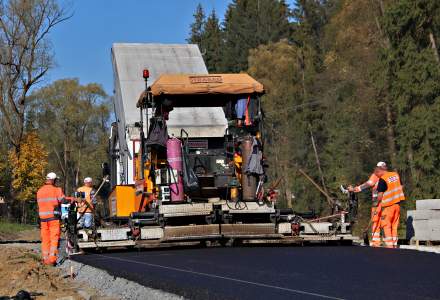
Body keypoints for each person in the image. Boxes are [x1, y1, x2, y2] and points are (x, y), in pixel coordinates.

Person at [348, 162, 387, 247]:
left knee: (376, 221)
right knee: (386, 222)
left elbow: (367, 184)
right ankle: (388, 242)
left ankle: (376, 242)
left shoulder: (376, 175)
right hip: (387, 203)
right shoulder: (388, 175)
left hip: (377, 202)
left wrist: (354, 189)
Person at [36, 172, 64, 265]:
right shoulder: (57, 190)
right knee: (54, 239)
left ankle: (45, 259)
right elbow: (62, 200)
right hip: (53, 219)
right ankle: (52, 260)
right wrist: (72, 199)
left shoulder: (39, 191)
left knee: (45, 240)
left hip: (43, 220)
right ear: (53, 180)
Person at [375, 164, 405, 248]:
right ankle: (394, 244)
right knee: (394, 225)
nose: (378, 176)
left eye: (378, 174)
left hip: (388, 207)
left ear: (380, 171)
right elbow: (401, 186)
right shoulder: (395, 174)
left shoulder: (383, 179)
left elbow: (380, 195)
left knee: (386, 225)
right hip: (397, 205)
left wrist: (377, 203)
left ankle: (389, 245)